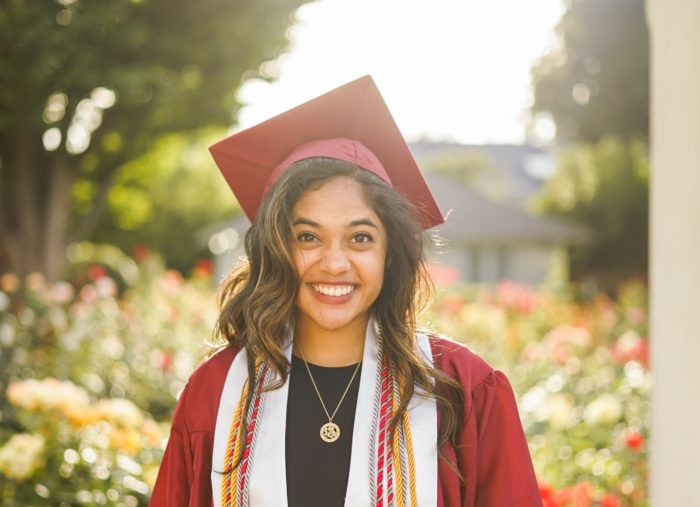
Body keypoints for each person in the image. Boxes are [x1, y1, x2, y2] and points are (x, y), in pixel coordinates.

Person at [150, 76, 542, 507]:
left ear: (390, 252)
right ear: (276, 247)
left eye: (359, 238)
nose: (335, 264)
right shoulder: (217, 392)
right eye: (308, 237)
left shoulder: (461, 389)